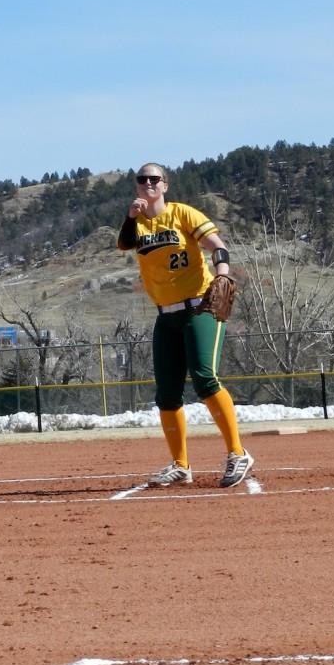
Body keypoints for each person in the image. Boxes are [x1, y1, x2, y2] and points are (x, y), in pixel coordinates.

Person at [116, 163, 254, 488]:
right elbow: (123, 243)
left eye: (154, 179)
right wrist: (130, 217)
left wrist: (221, 271)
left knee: (205, 378)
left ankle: (238, 453)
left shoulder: (183, 214)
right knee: (166, 394)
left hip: (199, 307)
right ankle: (180, 465)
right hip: (166, 315)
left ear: (165, 185)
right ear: (137, 186)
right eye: (142, 179)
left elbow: (218, 245)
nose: (148, 183)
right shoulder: (137, 224)